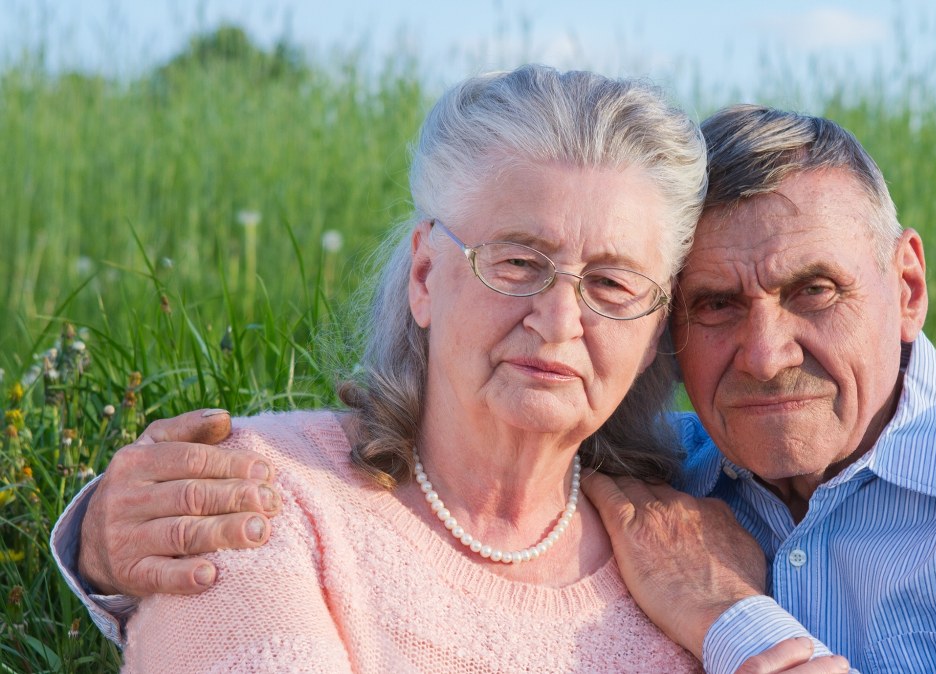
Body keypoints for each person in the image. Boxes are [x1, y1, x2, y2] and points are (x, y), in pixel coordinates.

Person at [54, 104, 936, 673]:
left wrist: (730, 619)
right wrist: (102, 534)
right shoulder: (654, 481)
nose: (766, 348)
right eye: (711, 304)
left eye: (814, 289)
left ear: (906, 285)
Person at [57, 64, 739, 672]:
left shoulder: (694, 554)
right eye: (518, 263)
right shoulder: (264, 493)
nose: (559, 321)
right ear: (423, 275)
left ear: (654, 331)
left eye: (614, 284)